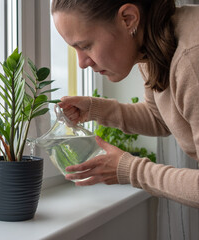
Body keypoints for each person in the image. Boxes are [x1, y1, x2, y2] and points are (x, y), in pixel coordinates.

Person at [52, 0, 199, 208]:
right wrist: (95, 108)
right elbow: (162, 118)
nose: (82, 63)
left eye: (85, 46)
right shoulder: (152, 45)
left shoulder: (191, 58)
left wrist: (131, 170)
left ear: (128, 19)